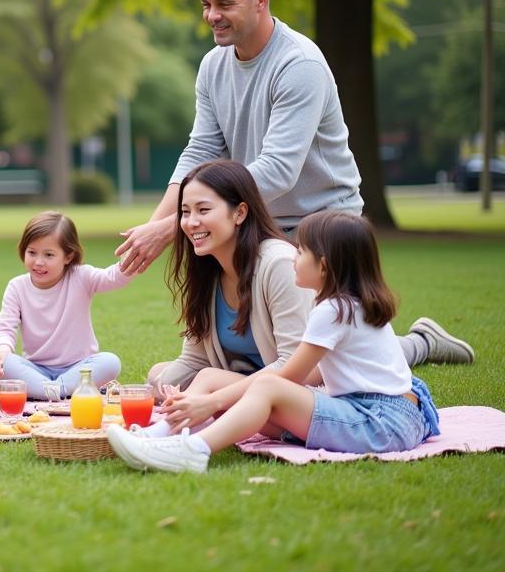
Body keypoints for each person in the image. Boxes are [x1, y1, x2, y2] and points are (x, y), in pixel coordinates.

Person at [117, 0, 473, 366]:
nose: (212, 15)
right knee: (265, 351)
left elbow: (278, 171)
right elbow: (199, 151)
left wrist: (176, 227)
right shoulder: (213, 66)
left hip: (321, 225)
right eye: (206, 4)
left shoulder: (298, 64)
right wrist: (159, 224)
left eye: (224, 4)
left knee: (322, 361)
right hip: (252, 218)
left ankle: (420, 344)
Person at [108, 210, 441, 472]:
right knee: (210, 379)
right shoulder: (345, 302)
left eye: (301, 251)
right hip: (388, 413)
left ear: (323, 266)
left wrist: (211, 403)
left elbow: (288, 378)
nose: (292, 256)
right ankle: (163, 434)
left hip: (379, 421)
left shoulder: (333, 310)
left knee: (264, 391)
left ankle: (192, 451)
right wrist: (214, 397)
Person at [142, 160, 472, 413]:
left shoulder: (278, 265)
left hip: (301, 373)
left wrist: (216, 395)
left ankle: (423, 343)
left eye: (203, 210)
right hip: (258, 374)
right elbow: (196, 360)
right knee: (161, 375)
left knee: (367, 352)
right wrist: (140, 392)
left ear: (240, 212)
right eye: (184, 212)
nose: (190, 222)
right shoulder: (206, 270)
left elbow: (300, 364)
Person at [0, 211, 134, 399]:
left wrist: (133, 253)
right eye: (32, 252)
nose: (39, 262)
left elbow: (113, 277)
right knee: (4, 363)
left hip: (79, 367)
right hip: (36, 369)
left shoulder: (81, 276)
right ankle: (63, 390)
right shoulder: (17, 286)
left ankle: (49, 391)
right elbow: (5, 328)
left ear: (68, 256)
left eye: (49, 255)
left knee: (110, 362)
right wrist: (2, 350)